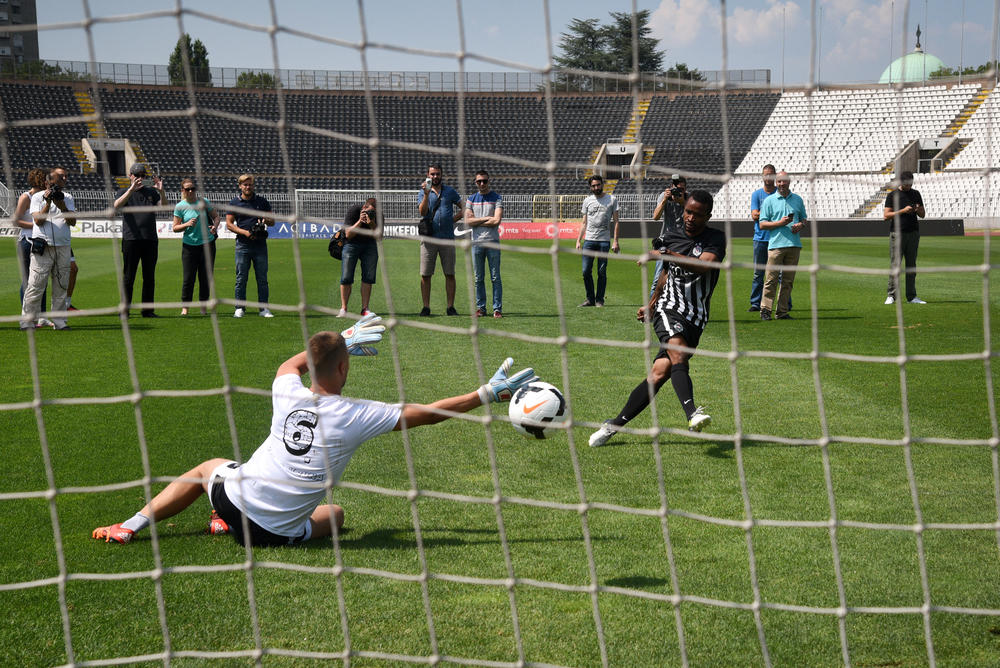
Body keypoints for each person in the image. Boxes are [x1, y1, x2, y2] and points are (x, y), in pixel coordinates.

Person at [92, 316, 537, 547]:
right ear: (345, 367)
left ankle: (131, 525)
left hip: (231, 501)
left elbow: (291, 364)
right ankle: (225, 526)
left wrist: (342, 334)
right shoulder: (357, 414)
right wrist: (485, 393)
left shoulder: (285, 388)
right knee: (337, 514)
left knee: (209, 467)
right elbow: (428, 412)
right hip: (272, 534)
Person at [589, 190, 724, 447]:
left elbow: (706, 265)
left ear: (708, 216)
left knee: (659, 373)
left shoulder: (715, 239)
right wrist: (652, 303)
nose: (690, 218)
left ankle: (613, 425)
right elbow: (664, 275)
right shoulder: (671, 236)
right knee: (678, 351)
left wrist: (667, 255)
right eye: (688, 212)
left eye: (697, 214)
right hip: (669, 307)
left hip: (696, 315)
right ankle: (693, 413)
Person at [21, 167, 77, 330]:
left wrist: (62, 206)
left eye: (65, 177)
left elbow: (72, 222)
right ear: (48, 182)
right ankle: (27, 321)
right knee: (35, 284)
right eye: (60, 178)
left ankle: (59, 322)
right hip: (43, 245)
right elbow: (38, 221)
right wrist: (48, 203)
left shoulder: (67, 197)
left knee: (61, 285)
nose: (64, 180)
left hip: (63, 246)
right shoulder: (37, 197)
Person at [113, 163, 165, 318]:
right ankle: (125, 309)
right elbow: (116, 206)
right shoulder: (123, 192)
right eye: (137, 175)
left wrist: (161, 192)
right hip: (131, 239)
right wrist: (131, 189)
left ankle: (147, 310)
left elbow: (164, 208)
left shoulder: (151, 192)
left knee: (149, 276)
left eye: (143, 175)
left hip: (150, 239)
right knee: (128, 276)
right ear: (130, 176)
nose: (140, 178)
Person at [758, 171, 807, 321]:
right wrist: (780, 223)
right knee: (770, 280)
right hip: (776, 246)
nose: (781, 184)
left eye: (784, 181)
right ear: (776, 182)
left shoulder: (797, 199)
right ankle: (765, 310)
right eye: (779, 181)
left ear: (789, 181)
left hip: (794, 244)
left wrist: (800, 225)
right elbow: (762, 224)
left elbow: (804, 219)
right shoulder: (769, 200)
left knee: (788, 281)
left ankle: (782, 311)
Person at [417, 164, 463, 316]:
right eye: (432, 174)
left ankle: (450, 307)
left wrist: (452, 220)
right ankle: (426, 307)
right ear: (428, 175)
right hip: (428, 239)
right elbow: (422, 212)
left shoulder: (450, 191)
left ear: (442, 175)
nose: (435, 176)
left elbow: (464, 207)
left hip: (447, 239)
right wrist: (425, 194)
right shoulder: (423, 191)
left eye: (437, 174)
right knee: (425, 274)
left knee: (449, 273)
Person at [226, 174, 274, 318]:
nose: (248, 187)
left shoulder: (262, 202)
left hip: (260, 245)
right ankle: (240, 307)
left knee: (262, 278)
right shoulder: (234, 202)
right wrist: (245, 233)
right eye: (245, 184)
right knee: (241, 278)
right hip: (242, 245)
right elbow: (229, 224)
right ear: (240, 186)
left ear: (254, 186)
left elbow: (272, 222)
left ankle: (263, 308)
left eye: (250, 184)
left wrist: (267, 219)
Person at [172, 179, 219, 316]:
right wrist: (186, 224)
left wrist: (214, 227)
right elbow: (175, 228)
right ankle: (185, 308)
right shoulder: (180, 206)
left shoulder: (204, 202)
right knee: (188, 278)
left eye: (192, 188)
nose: (191, 191)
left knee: (205, 278)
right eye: (187, 189)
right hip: (189, 247)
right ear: (183, 191)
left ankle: (203, 307)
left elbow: (216, 217)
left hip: (207, 245)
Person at [14, 168, 54, 328]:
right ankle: (27, 316)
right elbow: (16, 220)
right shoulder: (26, 197)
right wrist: (35, 225)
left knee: (41, 279)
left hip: (41, 241)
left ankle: (41, 316)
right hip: (26, 241)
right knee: (28, 281)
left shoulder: (44, 197)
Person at [575, 175, 620, 307]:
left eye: (598, 185)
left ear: (602, 184)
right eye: (593, 186)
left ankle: (600, 299)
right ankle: (590, 299)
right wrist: (578, 240)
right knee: (585, 271)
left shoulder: (612, 199)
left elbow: (616, 222)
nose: (596, 187)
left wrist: (616, 241)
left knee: (601, 271)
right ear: (590, 187)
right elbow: (584, 223)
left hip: (604, 241)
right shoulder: (587, 201)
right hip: (589, 240)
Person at [465, 170, 504, 318]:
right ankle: (481, 308)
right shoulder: (471, 199)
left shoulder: (497, 198)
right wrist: (488, 218)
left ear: (489, 181)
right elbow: (468, 221)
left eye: (485, 181)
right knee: (478, 278)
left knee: (495, 277)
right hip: (476, 243)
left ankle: (497, 309)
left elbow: (497, 221)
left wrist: (478, 220)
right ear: (475, 182)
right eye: (479, 181)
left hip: (493, 242)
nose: (482, 184)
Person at [883, 170, 926, 305]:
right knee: (895, 265)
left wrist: (917, 209)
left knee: (911, 266)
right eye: (907, 185)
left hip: (913, 233)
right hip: (897, 234)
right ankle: (891, 295)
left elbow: (923, 215)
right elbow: (885, 216)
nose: (909, 187)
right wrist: (902, 211)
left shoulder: (916, 194)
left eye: (910, 184)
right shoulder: (892, 195)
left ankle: (912, 296)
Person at [646, 174, 687, 297]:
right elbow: (655, 217)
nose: (679, 191)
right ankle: (651, 311)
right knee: (658, 279)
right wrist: (664, 200)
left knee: (683, 280)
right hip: (667, 241)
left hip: (684, 243)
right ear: (671, 187)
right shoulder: (663, 196)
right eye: (677, 189)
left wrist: (682, 202)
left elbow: (694, 214)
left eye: (682, 189)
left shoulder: (689, 197)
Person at [339, 197, 379, 317]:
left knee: (368, 277)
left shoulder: (378, 215)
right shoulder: (354, 210)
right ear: (363, 208)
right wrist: (360, 221)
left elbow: (379, 237)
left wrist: (371, 222)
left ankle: (365, 308)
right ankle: (344, 308)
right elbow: (348, 234)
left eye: (373, 212)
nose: (371, 213)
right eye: (369, 211)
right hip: (352, 243)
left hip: (370, 244)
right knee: (346, 277)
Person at [748, 164, 777, 312]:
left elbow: (759, 215)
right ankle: (755, 303)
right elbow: (754, 215)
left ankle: (782, 303)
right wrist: (773, 215)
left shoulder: (780, 193)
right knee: (758, 273)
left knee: (778, 274)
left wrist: (762, 215)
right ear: (762, 176)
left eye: (771, 174)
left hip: (777, 238)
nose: (768, 177)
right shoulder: (757, 194)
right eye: (766, 174)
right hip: (760, 238)